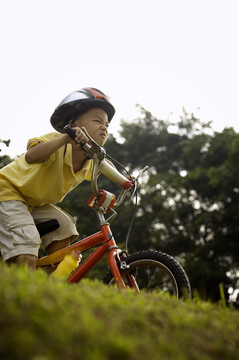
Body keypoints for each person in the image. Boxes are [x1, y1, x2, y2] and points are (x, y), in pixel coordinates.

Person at [0, 87, 115, 270]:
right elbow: (31, 156)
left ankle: (46, 278)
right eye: (97, 120)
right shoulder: (57, 141)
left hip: (33, 203)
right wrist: (65, 139)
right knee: (27, 241)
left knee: (65, 226)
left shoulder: (92, 160)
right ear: (72, 123)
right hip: (8, 191)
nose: (104, 127)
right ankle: (23, 279)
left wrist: (128, 180)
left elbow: (111, 169)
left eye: (107, 124)